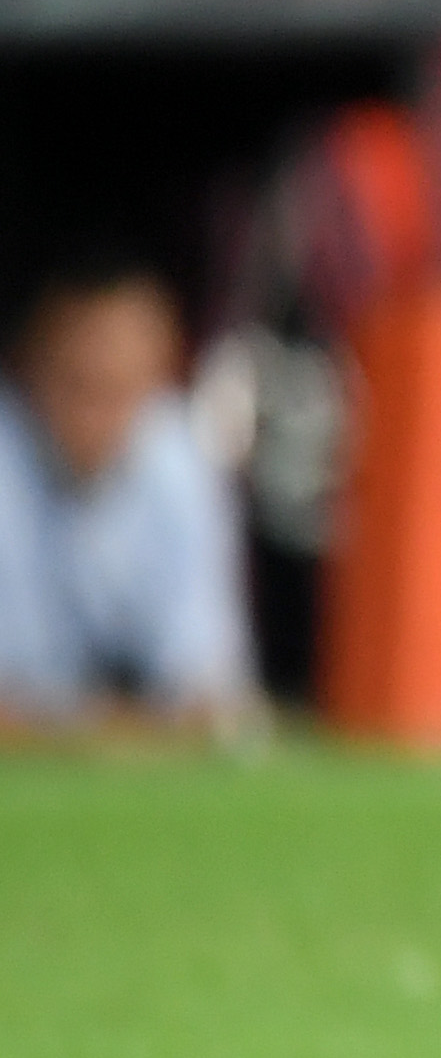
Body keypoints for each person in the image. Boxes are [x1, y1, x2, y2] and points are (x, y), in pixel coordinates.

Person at [0, 258, 253, 733]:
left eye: (114, 389)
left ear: (157, 378)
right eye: (76, 384)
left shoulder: (181, 459)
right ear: (28, 368)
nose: (91, 417)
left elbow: (208, 696)